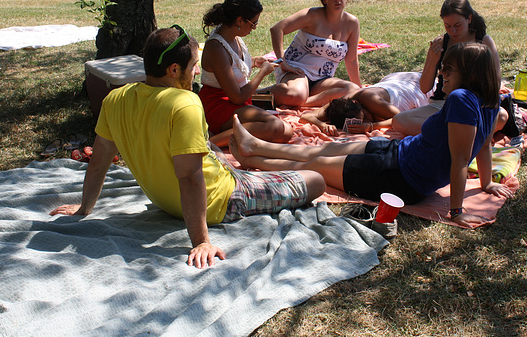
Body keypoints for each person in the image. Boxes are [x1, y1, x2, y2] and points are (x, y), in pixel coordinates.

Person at [49, 26, 325, 268]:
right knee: (316, 180)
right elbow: (190, 177)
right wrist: (202, 241)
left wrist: (85, 208)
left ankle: (251, 158)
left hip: (169, 200)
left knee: (215, 152)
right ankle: (254, 159)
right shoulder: (186, 104)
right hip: (225, 199)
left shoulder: (115, 98)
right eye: (194, 65)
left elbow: (99, 161)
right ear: (173, 70)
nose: (196, 71)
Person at [230, 42, 514, 228]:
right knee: (321, 152)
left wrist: (457, 212)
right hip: (397, 153)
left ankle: (251, 158)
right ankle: (255, 144)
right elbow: (485, 145)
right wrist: (487, 183)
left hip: (399, 178)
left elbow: (462, 159)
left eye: (448, 69)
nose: (442, 73)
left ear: (470, 74)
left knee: (313, 166)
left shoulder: (462, 98)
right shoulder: (489, 104)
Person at [392, 0, 503, 136]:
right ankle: (463, 134)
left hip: (474, 104)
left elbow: (495, 82)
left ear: (469, 19)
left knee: (502, 116)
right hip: (443, 106)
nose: (453, 31)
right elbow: (425, 87)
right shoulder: (440, 43)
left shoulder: (483, 41)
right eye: (447, 26)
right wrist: (433, 60)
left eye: (458, 25)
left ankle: (449, 133)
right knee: (400, 121)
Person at [198, 0, 293, 148]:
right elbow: (238, 97)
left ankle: (230, 138)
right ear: (240, 20)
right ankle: (211, 144)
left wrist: (255, 61)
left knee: (285, 130)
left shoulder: (234, 36)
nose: (254, 28)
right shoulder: (216, 47)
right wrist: (262, 72)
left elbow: (234, 65)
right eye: (253, 23)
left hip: (233, 102)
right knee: (277, 128)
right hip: (218, 105)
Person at [264, 0, 361, 107]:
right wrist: (283, 62)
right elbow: (277, 29)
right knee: (295, 94)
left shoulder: (352, 23)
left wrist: (360, 91)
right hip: (298, 71)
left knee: (352, 90)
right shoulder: (312, 15)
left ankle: (301, 104)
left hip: (322, 79)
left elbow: (351, 60)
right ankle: (252, 95)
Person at [301, 72, 430, 135]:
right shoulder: (337, 107)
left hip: (413, 85)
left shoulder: (369, 99)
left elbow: (402, 119)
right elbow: (305, 117)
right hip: (393, 81)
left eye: (365, 117)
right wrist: (322, 125)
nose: (365, 121)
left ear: (358, 104)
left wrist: (371, 126)